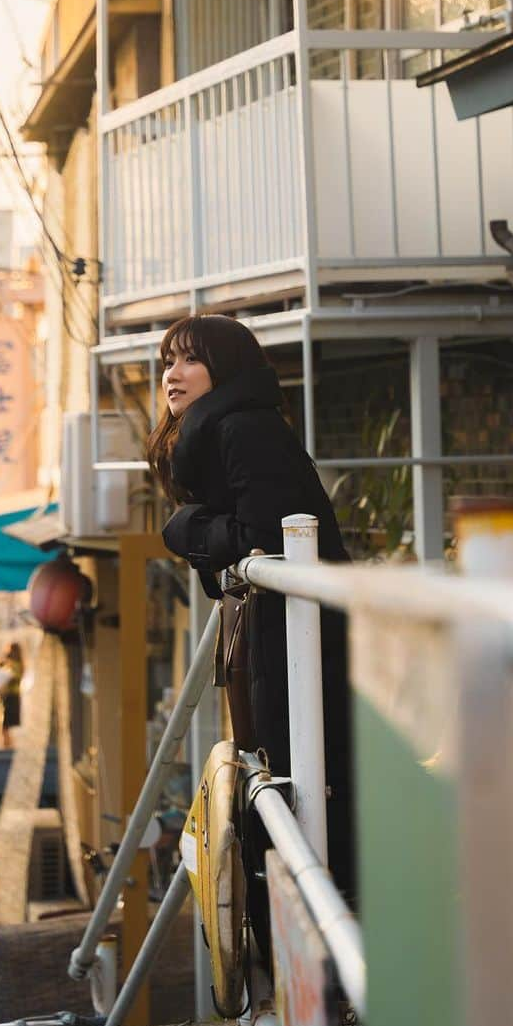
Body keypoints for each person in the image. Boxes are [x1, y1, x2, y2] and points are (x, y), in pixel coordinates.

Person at [147, 313, 355, 928]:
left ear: (226, 368)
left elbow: (263, 538)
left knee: (304, 775)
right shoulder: (224, 430)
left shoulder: (244, 430)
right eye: (167, 361)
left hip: (298, 630)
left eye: (188, 360)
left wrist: (186, 529)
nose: (172, 374)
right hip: (278, 628)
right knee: (283, 775)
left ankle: (319, 933)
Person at [0, 641, 23, 747]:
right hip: (10, 697)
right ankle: (7, 744)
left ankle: (7, 745)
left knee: (6, 726)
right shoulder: (15, 664)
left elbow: (8, 678)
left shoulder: (13, 665)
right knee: (6, 726)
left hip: (11, 697)